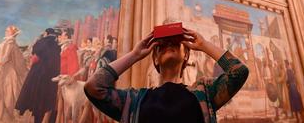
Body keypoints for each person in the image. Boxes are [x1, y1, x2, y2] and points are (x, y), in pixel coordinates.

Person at [85, 27, 249, 123]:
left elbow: (239, 71)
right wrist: (135, 54)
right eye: (162, 45)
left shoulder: (204, 94)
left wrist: (204, 45)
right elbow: (93, 87)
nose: (169, 45)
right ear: (155, 58)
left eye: (175, 42)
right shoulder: (134, 100)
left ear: (186, 55)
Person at [16, 27, 61, 123]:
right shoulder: (57, 46)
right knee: (44, 101)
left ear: (46, 33)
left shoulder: (41, 42)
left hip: (39, 74)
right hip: (51, 77)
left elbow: (35, 56)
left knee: (34, 96)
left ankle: (28, 114)